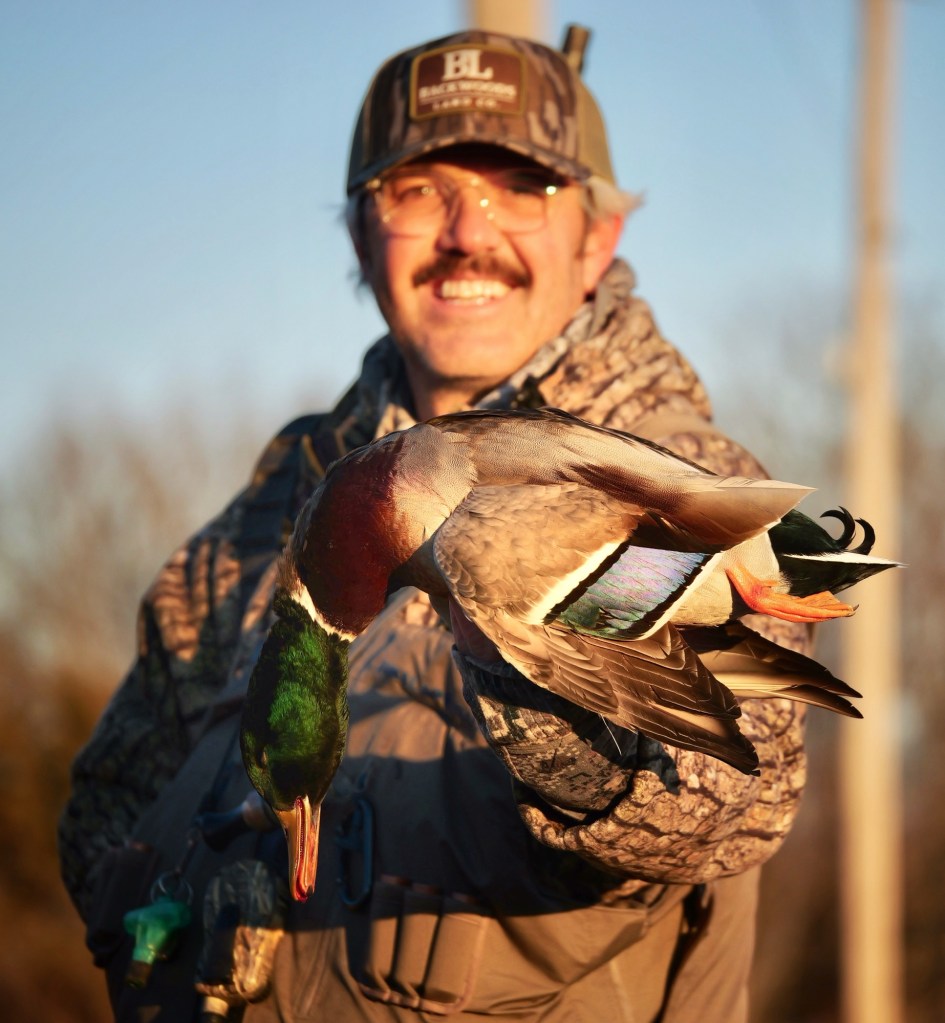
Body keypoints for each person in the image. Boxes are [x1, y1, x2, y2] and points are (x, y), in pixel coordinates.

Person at [59, 27, 809, 1023]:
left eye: (521, 187)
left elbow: (733, 795)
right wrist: (173, 890)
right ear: (361, 238)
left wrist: (550, 711)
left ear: (597, 237)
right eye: (416, 191)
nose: (465, 232)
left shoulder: (684, 490)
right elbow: (106, 803)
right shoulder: (264, 520)